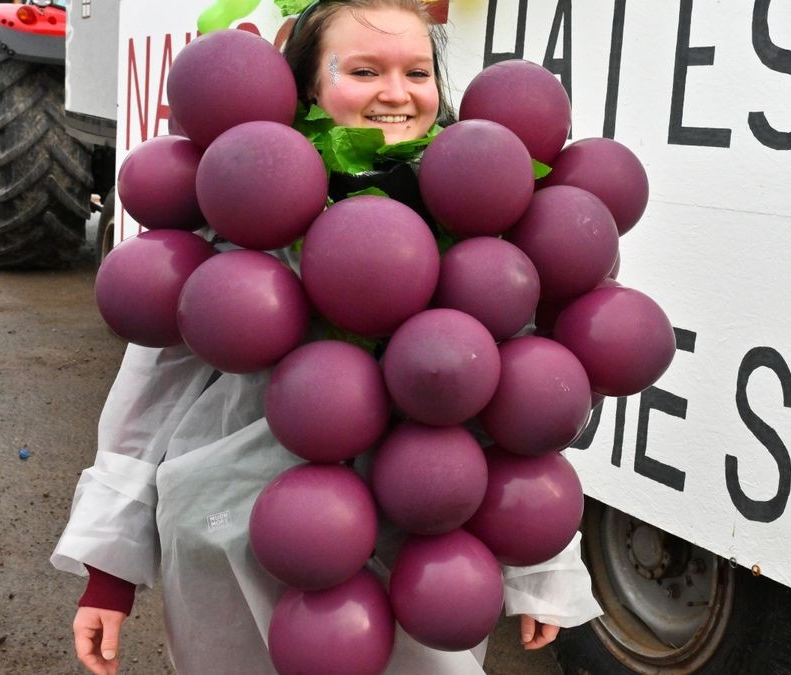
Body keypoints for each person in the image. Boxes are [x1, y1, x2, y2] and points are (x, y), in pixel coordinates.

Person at [52, 2, 601, 673]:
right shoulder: (250, 199)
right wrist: (108, 573)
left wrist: (542, 571)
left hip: (420, 547)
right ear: (308, 85)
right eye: (365, 69)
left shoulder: (480, 211)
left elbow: (516, 412)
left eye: (418, 72)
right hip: (237, 531)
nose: (397, 93)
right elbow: (151, 390)